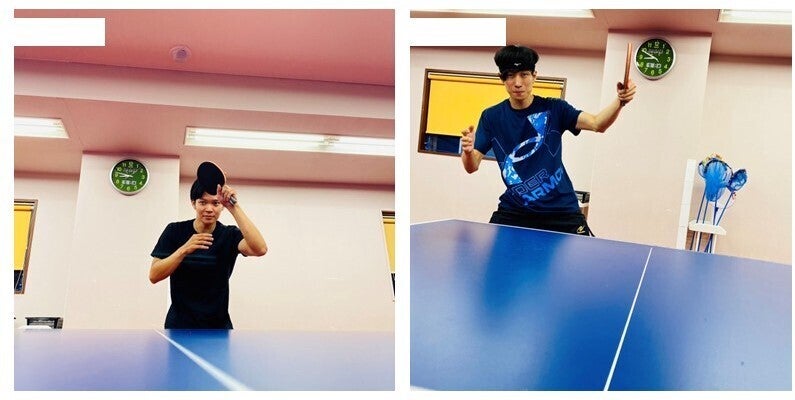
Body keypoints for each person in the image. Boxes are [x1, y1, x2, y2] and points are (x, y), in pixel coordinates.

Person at [460, 45, 636, 235]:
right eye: (510, 75)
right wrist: (468, 152)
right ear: (502, 79)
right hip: (515, 210)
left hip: (561, 211)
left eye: (524, 74)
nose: (518, 83)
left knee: (586, 254)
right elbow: (471, 166)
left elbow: (597, 123)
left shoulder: (555, 109)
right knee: (497, 255)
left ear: (534, 76)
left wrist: (619, 101)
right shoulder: (491, 117)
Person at [149, 180, 267, 329]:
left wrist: (234, 207)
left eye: (215, 203)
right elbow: (154, 275)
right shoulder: (174, 230)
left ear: (222, 206)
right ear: (193, 203)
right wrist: (183, 250)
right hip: (180, 325)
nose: (209, 209)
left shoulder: (229, 235)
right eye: (203, 202)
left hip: (218, 326)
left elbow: (260, 249)